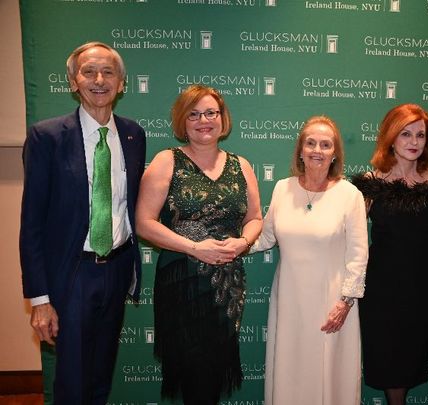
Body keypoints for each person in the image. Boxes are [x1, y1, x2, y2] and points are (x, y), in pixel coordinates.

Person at [19, 41, 146, 403]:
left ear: (122, 83)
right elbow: (32, 224)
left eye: (108, 72)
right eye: (89, 71)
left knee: (100, 375)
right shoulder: (47, 137)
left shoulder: (135, 135)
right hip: (72, 274)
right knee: (72, 382)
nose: (99, 79)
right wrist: (40, 299)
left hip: (117, 269)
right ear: (74, 81)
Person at [135, 85, 262, 404]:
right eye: (194, 114)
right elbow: (144, 223)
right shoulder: (167, 161)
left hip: (227, 285)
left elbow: (256, 217)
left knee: (214, 371)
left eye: (210, 113)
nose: (203, 120)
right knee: (193, 371)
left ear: (222, 118)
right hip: (183, 280)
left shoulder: (241, 165)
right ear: (182, 121)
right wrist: (194, 247)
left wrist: (243, 242)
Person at [249, 116, 368, 405]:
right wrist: (232, 245)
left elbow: (358, 253)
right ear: (300, 150)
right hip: (289, 302)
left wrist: (345, 302)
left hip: (333, 305)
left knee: (330, 377)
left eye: (325, 144)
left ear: (335, 153)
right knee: (290, 372)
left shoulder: (349, 194)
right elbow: (266, 238)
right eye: (310, 143)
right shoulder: (282, 188)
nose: (317, 150)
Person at [351, 104, 428, 405]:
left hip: (424, 288)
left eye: (420, 135)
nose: (414, 142)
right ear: (391, 137)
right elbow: (349, 234)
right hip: (382, 289)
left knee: (410, 357)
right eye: (405, 134)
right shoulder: (371, 183)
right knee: (388, 359)